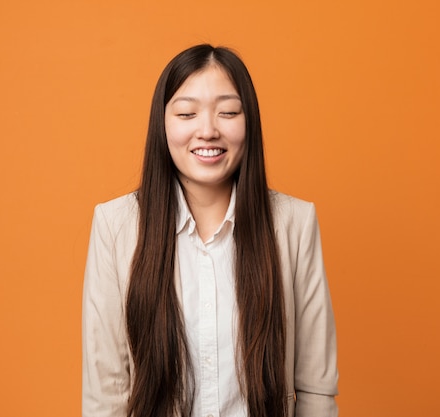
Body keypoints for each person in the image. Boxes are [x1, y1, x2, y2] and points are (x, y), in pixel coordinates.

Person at [82, 44, 338, 417]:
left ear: (248, 121)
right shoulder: (116, 225)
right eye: (187, 113)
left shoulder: (294, 223)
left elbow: (316, 388)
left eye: (228, 112)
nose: (207, 130)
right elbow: (105, 393)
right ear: (162, 123)